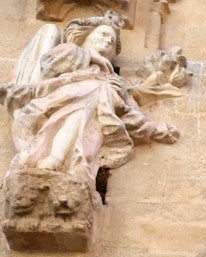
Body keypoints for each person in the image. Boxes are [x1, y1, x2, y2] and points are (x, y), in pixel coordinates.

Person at [2, 12, 179, 184]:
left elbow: (129, 113)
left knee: (100, 97)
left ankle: (68, 162)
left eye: (112, 41)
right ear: (84, 36)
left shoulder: (110, 80)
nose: (108, 41)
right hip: (56, 100)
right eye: (103, 34)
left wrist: (155, 129)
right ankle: (56, 157)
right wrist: (88, 56)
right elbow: (49, 65)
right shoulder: (70, 51)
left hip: (92, 116)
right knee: (94, 92)